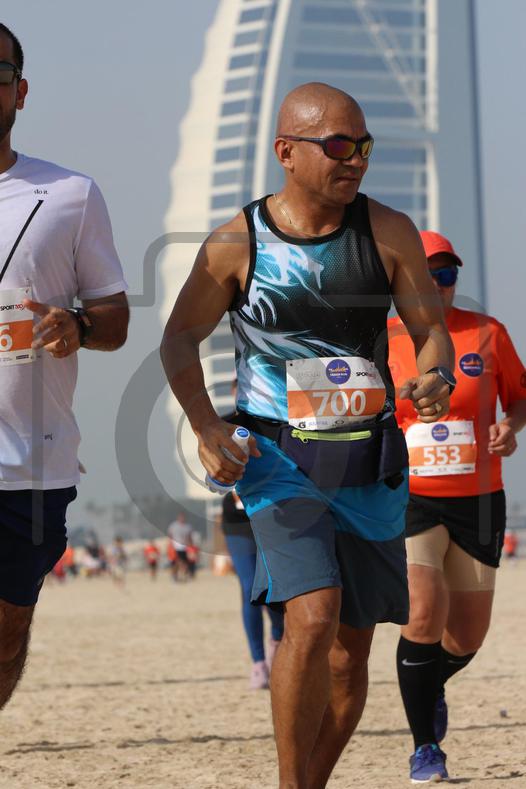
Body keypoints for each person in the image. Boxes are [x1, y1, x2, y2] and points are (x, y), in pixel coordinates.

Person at [161, 82, 454, 789]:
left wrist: (437, 374)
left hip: (369, 461)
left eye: (363, 146)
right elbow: (178, 338)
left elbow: (430, 331)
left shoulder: (388, 231)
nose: (356, 159)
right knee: (314, 616)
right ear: (286, 152)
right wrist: (206, 424)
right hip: (278, 459)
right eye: (339, 145)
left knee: (351, 658)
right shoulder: (238, 242)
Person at [0, 25, 128, 711]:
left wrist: (77, 325)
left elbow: (115, 317)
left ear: (20, 90)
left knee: (7, 632)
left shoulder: (70, 193)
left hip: (31, 461)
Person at [388, 231, 526, 782]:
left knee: (467, 637)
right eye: (427, 275)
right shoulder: (383, 340)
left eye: (446, 275)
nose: (438, 284)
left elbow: (520, 398)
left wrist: (510, 427)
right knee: (423, 615)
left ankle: (430, 684)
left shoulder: (488, 333)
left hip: (480, 501)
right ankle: (426, 747)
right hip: (411, 499)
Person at [219, 490, 284, 690]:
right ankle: (258, 663)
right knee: (250, 588)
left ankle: (277, 641)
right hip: (238, 519)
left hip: (273, 512)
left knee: (273, 587)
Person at [167, 512, 194, 580]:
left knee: (185, 562)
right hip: (175, 546)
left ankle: (185, 575)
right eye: (180, 517)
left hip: (184, 547)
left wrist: (192, 546)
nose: (182, 519)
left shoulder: (188, 527)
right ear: (178, 518)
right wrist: (170, 545)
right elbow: (170, 535)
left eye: (183, 517)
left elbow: (190, 537)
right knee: (176, 562)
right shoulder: (173, 526)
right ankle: (174, 575)